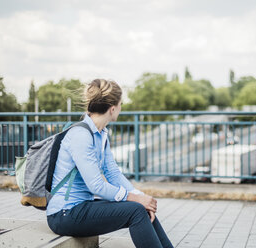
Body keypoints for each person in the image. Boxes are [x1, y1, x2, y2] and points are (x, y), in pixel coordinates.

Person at [47, 79, 173, 248]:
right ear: (113, 108)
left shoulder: (101, 134)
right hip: (63, 215)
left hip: (81, 207)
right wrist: (134, 198)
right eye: (121, 104)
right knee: (135, 211)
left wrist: (140, 197)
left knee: (140, 207)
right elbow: (96, 186)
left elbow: (112, 173)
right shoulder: (81, 135)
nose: (121, 108)